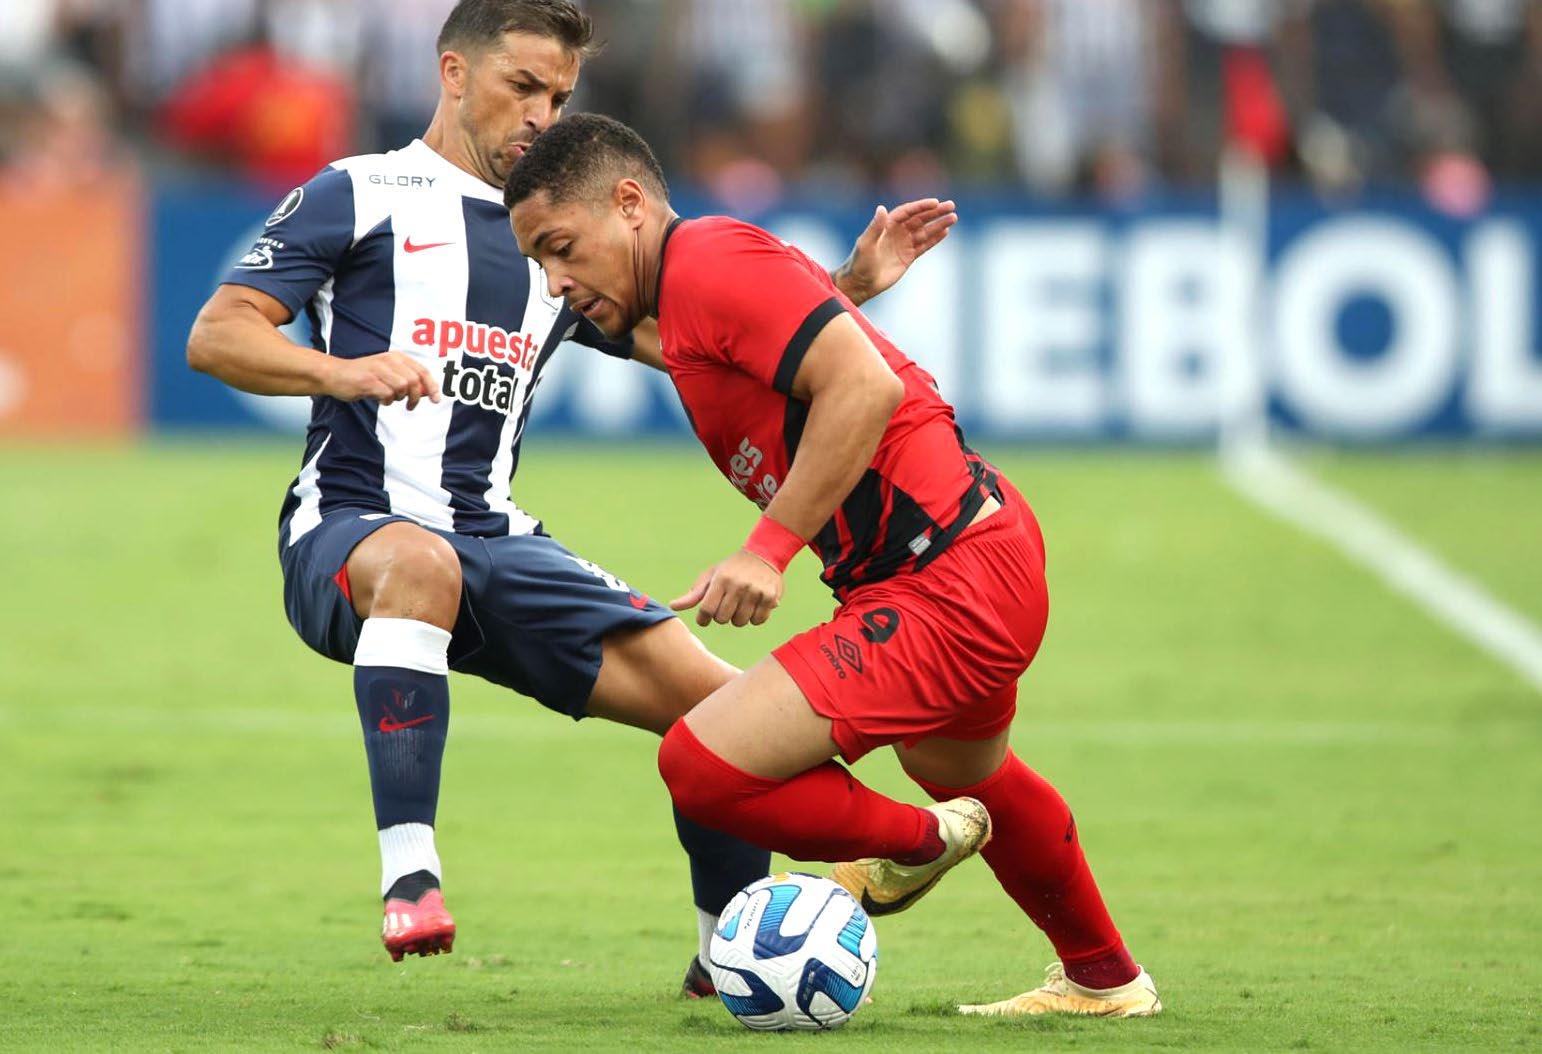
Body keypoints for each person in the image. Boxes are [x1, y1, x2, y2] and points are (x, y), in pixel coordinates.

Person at [184, 0, 954, 990]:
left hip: (498, 543)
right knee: (419, 563)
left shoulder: (557, 241)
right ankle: (410, 874)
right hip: (353, 531)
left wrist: (842, 289)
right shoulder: (357, 193)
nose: (541, 115)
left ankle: (726, 955)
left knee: (727, 718)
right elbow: (218, 334)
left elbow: (714, 346)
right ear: (454, 73)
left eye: (558, 96)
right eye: (523, 87)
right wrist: (345, 371)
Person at [506, 112, 1163, 1018]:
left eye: (561, 248)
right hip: (968, 557)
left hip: (947, 582)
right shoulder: (692, 292)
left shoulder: (708, 261)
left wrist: (766, 551)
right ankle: (1105, 978)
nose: (554, 281)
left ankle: (913, 846)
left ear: (628, 204)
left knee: (701, 763)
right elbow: (761, 345)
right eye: (538, 261)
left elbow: (865, 385)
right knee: (970, 774)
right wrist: (845, 289)